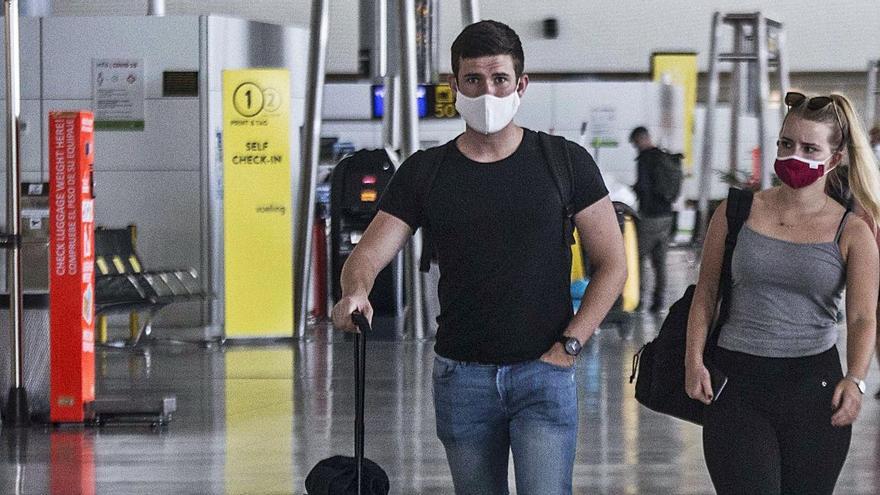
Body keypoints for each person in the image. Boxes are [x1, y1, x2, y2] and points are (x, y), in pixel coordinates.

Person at [331, 20, 627, 494]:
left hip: (543, 374)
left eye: (499, 79)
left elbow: (612, 262)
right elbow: (366, 255)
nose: (487, 91)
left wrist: (570, 344)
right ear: (454, 87)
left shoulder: (564, 161)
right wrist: (355, 292)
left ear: (520, 85)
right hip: (461, 376)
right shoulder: (425, 172)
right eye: (473, 80)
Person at [685, 91, 880, 494]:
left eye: (810, 148)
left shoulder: (853, 232)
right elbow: (705, 294)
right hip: (736, 382)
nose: (795, 156)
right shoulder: (735, 211)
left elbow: (863, 317)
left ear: (835, 159)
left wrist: (856, 379)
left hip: (813, 386)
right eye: (786, 144)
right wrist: (693, 360)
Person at [630, 126, 676, 312]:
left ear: (640, 140)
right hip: (667, 216)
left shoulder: (645, 159)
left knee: (637, 258)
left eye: (635, 143)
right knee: (660, 262)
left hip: (650, 217)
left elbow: (643, 187)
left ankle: (638, 299)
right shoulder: (664, 156)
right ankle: (659, 302)